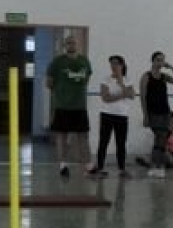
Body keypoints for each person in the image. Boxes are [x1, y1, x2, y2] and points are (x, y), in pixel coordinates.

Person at [45, 34, 93, 177]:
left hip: (80, 106)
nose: (71, 45)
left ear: (77, 44)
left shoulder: (84, 61)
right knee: (62, 136)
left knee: (83, 136)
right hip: (62, 106)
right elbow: (49, 83)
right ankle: (63, 165)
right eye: (68, 43)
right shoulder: (57, 62)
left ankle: (89, 165)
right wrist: (62, 93)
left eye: (73, 43)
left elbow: (87, 79)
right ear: (65, 46)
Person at [91, 55, 135, 176]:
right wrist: (122, 95)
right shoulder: (106, 79)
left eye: (116, 63)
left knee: (121, 143)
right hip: (107, 115)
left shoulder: (127, 80)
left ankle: (122, 168)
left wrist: (121, 83)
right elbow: (106, 98)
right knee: (103, 142)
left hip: (122, 116)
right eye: (111, 64)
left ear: (122, 65)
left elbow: (131, 95)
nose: (113, 66)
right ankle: (100, 167)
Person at [139, 51, 173, 175]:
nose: (161, 62)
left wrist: (171, 67)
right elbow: (143, 96)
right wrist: (145, 115)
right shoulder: (146, 76)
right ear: (153, 61)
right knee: (160, 137)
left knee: (162, 139)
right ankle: (156, 165)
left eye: (162, 60)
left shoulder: (164, 76)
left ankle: (158, 164)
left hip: (165, 112)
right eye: (158, 60)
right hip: (153, 113)